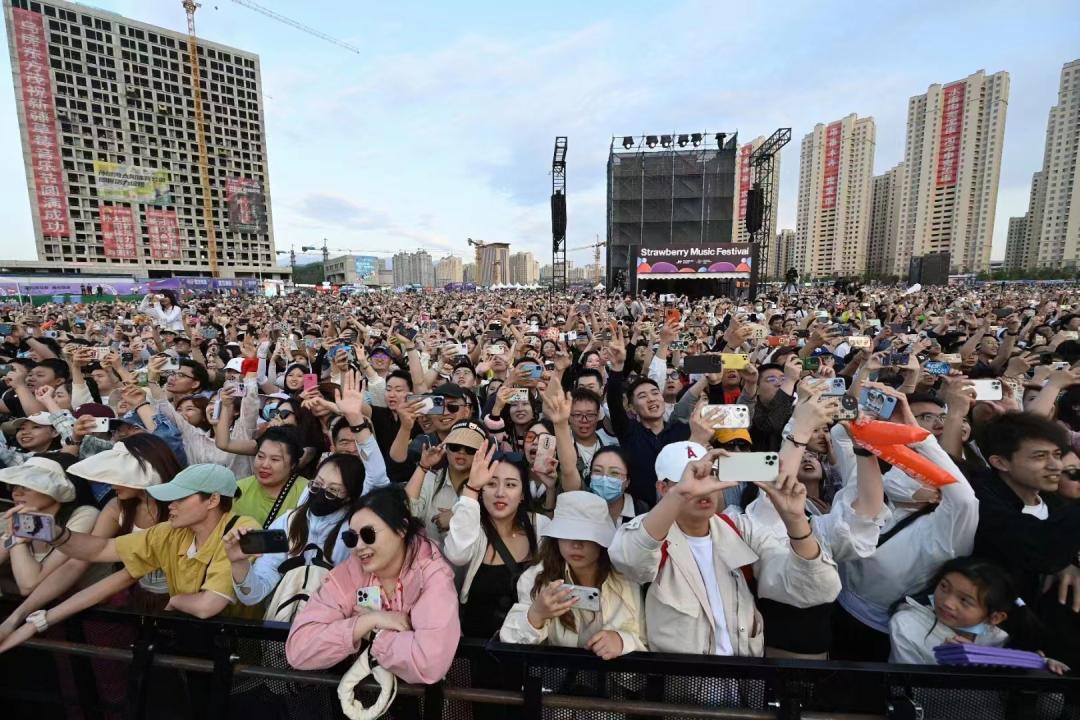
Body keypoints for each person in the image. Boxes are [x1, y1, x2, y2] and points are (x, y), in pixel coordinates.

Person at [609, 442, 841, 657]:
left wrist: (795, 520)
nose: (703, 488)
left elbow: (815, 589)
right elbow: (631, 559)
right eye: (691, 478)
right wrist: (678, 497)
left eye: (712, 476)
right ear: (663, 487)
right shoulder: (649, 531)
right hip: (684, 686)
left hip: (744, 680)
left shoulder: (740, 529)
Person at [0, 464, 259, 655]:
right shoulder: (169, 532)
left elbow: (207, 606)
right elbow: (100, 549)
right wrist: (54, 533)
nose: (170, 504)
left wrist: (175, 600)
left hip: (240, 651)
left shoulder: (240, 529)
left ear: (213, 499)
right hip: (193, 644)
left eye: (180, 497)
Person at [0, 436, 179, 640]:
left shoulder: (181, 510)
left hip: (185, 602)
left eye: (119, 473)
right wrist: (17, 618)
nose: (110, 482)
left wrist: (30, 620)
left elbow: (125, 574)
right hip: (141, 601)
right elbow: (80, 560)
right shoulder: (117, 507)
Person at [284, 486, 460, 685]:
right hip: (359, 699)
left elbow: (428, 663)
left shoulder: (432, 574)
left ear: (401, 529)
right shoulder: (350, 572)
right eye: (351, 538)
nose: (359, 546)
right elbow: (298, 651)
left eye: (369, 534)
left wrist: (376, 635)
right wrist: (368, 622)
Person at [972, 412, 1080, 669]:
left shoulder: (1056, 503)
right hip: (1002, 649)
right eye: (1040, 457)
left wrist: (1073, 562)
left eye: (1056, 454)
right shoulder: (982, 505)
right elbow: (1041, 549)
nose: (1056, 466)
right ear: (1000, 462)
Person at [225, 451, 387, 608]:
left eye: (333, 490)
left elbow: (369, 594)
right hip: (286, 625)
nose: (321, 492)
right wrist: (239, 563)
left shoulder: (355, 535)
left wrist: (359, 621)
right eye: (317, 484)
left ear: (349, 497)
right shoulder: (288, 523)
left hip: (335, 627)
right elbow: (253, 595)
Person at [500, 490, 646, 659]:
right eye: (567, 533)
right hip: (557, 681)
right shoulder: (535, 578)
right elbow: (509, 642)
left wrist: (622, 642)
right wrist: (536, 615)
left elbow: (646, 642)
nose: (576, 544)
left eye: (586, 535)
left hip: (612, 682)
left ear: (601, 540)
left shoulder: (627, 577)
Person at [889, 556, 1068, 675]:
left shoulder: (998, 637)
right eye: (944, 587)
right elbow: (908, 690)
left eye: (965, 601)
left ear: (995, 618)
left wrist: (1040, 666)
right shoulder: (906, 624)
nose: (947, 602)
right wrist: (954, 669)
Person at [444, 441, 545, 637]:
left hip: (528, 645)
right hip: (477, 646)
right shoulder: (471, 527)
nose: (500, 493)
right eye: (491, 483)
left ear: (523, 493)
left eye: (510, 485)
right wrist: (471, 488)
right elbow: (457, 554)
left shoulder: (540, 527)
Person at [0, 455, 100, 597]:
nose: (16, 493)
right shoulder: (7, 517)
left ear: (55, 490)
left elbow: (30, 586)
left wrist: (17, 538)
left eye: (27, 486)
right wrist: (13, 533)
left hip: (90, 608)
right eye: (14, 486)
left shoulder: (84, 515)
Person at [233, 427, 309, 527]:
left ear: (293, 464)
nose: (265, 465)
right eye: (260, 456)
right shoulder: (238, 490)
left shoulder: (306, 492)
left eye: (275, 459)